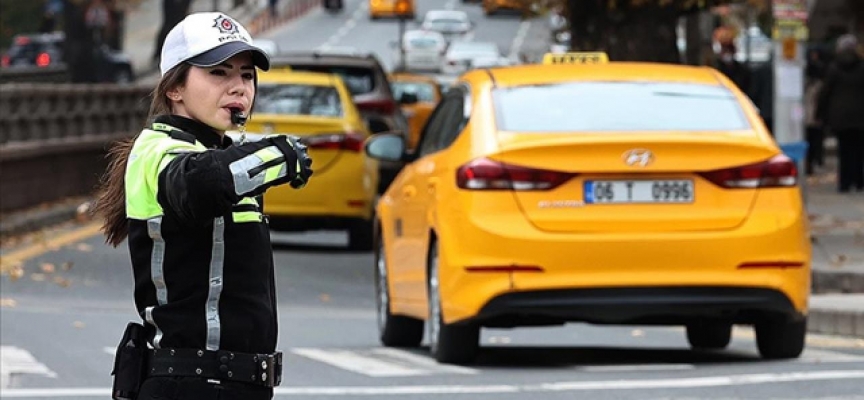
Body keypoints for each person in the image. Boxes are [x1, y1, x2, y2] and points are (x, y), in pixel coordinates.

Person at [95, 12, 312, 399]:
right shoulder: (157, 149)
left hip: (236, 384)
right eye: (219, 73)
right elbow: (200, 184)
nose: (238, 87)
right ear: (175, 87)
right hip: (192, 382)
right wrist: (277, 155)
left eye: (246, 76)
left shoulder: (222, 154)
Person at [817, 34, 864, 193]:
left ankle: (844, 182)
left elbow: (825, 93)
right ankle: (859, 181)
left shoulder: (834, 68)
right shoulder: (862, 66)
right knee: (859, 150)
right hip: (860, 116)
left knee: (844, 150)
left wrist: (820, 113)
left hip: (840, 116)